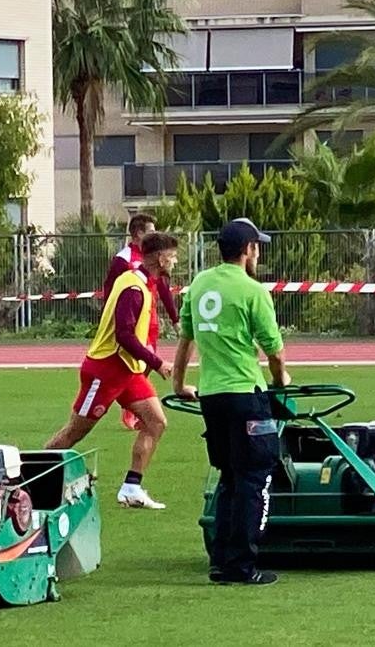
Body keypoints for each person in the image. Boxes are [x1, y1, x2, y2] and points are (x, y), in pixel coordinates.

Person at [172, 218, 289, 586]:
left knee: (228, 478)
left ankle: (220, 561)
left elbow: (185, 340)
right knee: (254, 478)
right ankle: (243, 565)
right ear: (248, 249)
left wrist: (178, 384)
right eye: (257, 247)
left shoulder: (199, 285)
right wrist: (279, 380)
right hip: (244, 393)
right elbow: (274, 349)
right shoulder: (252, 291)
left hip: (212, 395)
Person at [46, 233, 182, 510]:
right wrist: (157, 363)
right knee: (74, 433)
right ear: (160, 257)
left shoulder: (144, 281)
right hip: (105, 370)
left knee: (156, 422)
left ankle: (131, 488)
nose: (176, 260)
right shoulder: (133, 286)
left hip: (128, 370)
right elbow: (124, 336)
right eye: (173, 255)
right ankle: (30, 477)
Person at [103, 213, 180, 432]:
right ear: (138, 233)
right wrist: (110, 316)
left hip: (150, 319)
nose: (154, 234)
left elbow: (163, 288)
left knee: (143, 363)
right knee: (139, 361)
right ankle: (130, 407)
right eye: (150, 230)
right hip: (131, 321)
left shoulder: (154, 263)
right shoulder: (124, 259)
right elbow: (111, 288)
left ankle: (133, 406)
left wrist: (174, 318)